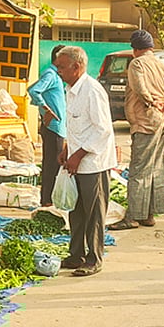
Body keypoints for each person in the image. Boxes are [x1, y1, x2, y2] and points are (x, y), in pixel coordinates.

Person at [54, 46, 116, 277]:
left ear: (76, 67)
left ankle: (94, 258)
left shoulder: (92, 90)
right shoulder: (71, 90)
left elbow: (103, 130)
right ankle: (76, 254)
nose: (58, 71)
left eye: (61, 67)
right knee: (77, 211)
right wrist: (67, 149)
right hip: (76, 161)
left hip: (94, 163)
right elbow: (78, 126)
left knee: (94, 214)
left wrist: (79, 155)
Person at [111, 30, 164, 231]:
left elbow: (140, 88)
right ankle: (149, 214)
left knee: (139, 168)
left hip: (147, 118)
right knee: (156, 166)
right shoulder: (160, 64)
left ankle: (133, 216)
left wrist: (150, 101)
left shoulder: (137, 64)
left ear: (135, 49)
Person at [28, 44, 67, 207]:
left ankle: (49, 199)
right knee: (52, 164)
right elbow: (34, 90)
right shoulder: (51, 74)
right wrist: (46, 110)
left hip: (57, 127)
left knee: (52, 163)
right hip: (53, 127)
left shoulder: (55, 75)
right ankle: (47, 201)